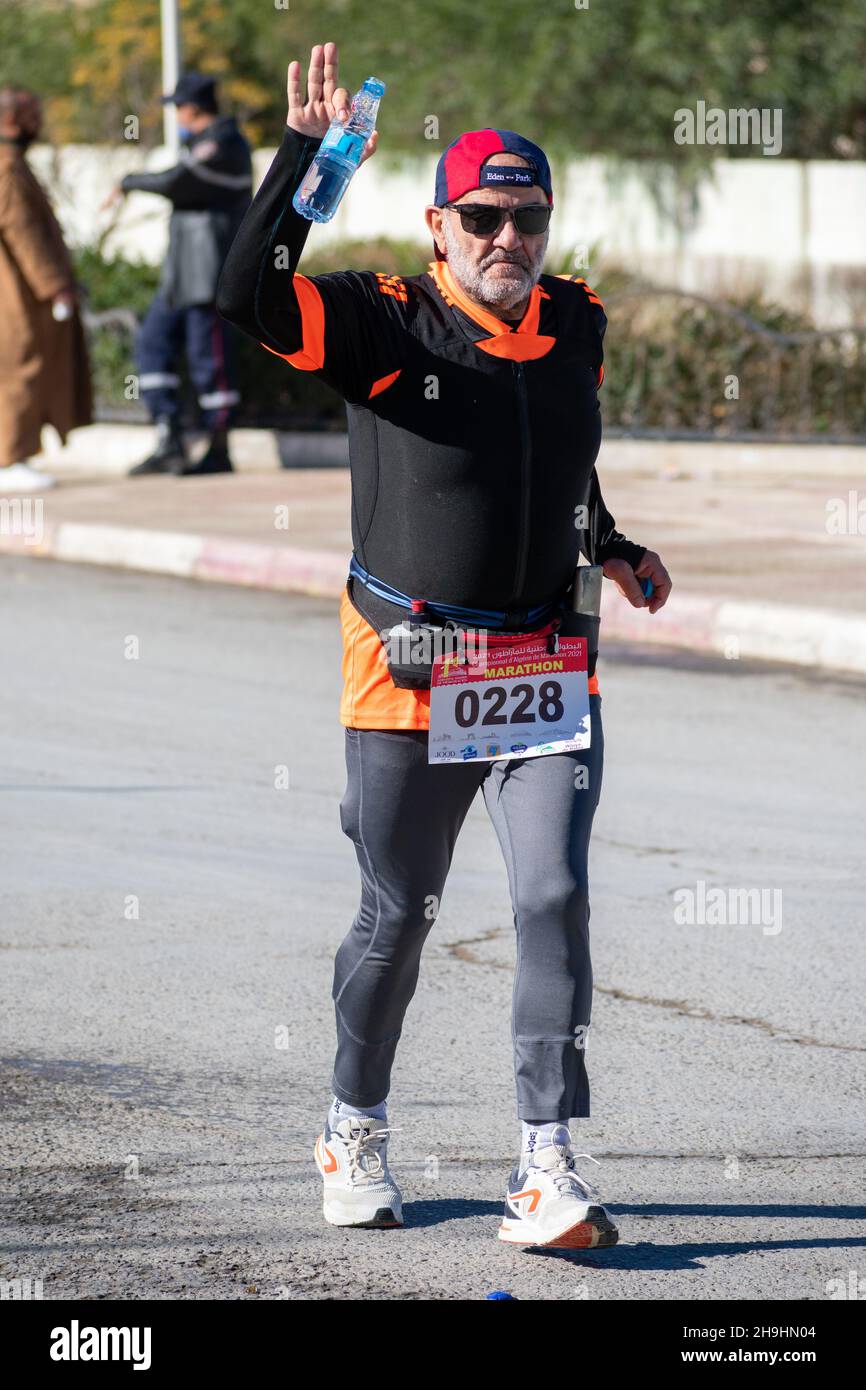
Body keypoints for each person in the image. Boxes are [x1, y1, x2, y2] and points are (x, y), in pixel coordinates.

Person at [217, 43, 672, 1249]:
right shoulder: (380, 319)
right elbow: (244, 300)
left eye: (525, 217)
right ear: (439, 222)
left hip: (538, 668)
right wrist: (303, 156)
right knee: (396, 917)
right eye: (482, 216)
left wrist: (613, 543)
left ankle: (544, 1162)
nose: (506, 238)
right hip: (410, 664)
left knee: (554, 897)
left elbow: (554, 458)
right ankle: (351, 1121)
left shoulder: (574, 321)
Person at [104, 72, 253, 477]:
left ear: (193, 108)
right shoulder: (201, 144)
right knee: (152, 345)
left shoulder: (225, 144)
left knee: (210, 361)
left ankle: (218, 447)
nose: (177, 116)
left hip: (207, 275)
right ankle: (169, 438)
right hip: (179, 275)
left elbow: (176, 182)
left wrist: (127, 181)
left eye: (178, 108)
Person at [0, 86, 92, 493]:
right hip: (16, 295)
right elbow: (24, 233)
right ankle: (10, 458)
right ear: (11, 119)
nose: (38, 122)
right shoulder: (6, 167)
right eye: (33, 114)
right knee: (23, 366)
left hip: (18, 289)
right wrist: (55, 287)